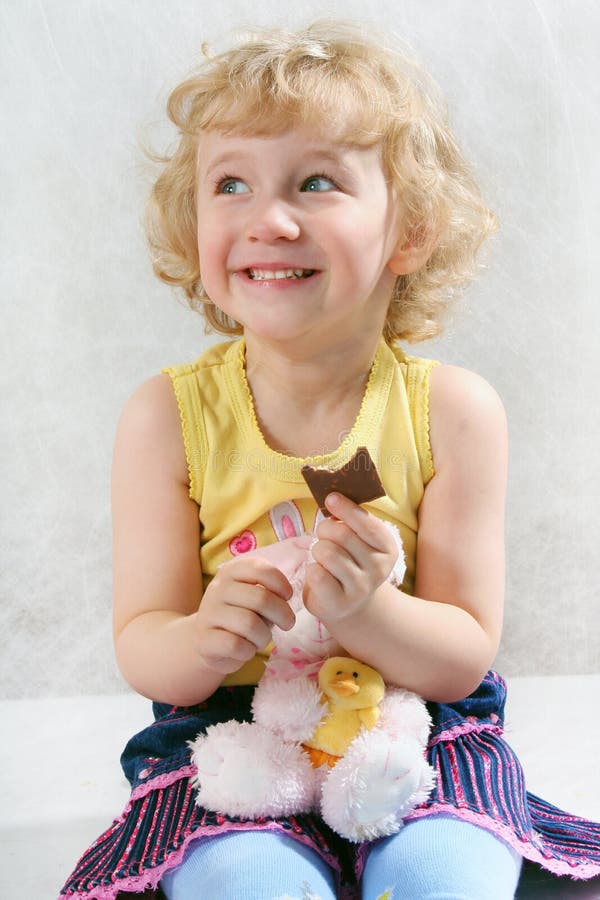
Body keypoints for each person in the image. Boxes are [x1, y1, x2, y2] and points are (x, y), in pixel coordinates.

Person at [59, 20, 600, 900]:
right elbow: (144, 643)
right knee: (247, 883)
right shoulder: (167, 416)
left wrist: (370, 615)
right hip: (234, 733)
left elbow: (462, 654)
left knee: (442, 877)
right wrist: (202, 638)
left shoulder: (452, 413)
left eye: (317, 182)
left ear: (411, 230)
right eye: (229, 183)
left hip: (417, 727)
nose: (267, 220)